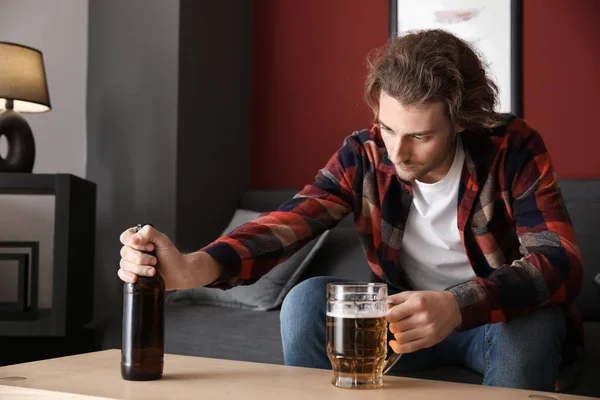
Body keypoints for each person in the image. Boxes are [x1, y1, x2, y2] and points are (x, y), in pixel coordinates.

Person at [118, 29, 583, 392]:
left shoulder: (512, 146)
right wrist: (194, 266)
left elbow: (558, 262)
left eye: (420, 136)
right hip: (398, 326)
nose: (397, 152)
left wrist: (457, 306)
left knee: (537, 322)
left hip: (491, 324)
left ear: (461, 122)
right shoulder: (365, 153)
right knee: (306, 301)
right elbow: (292, 221)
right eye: (387, 128)